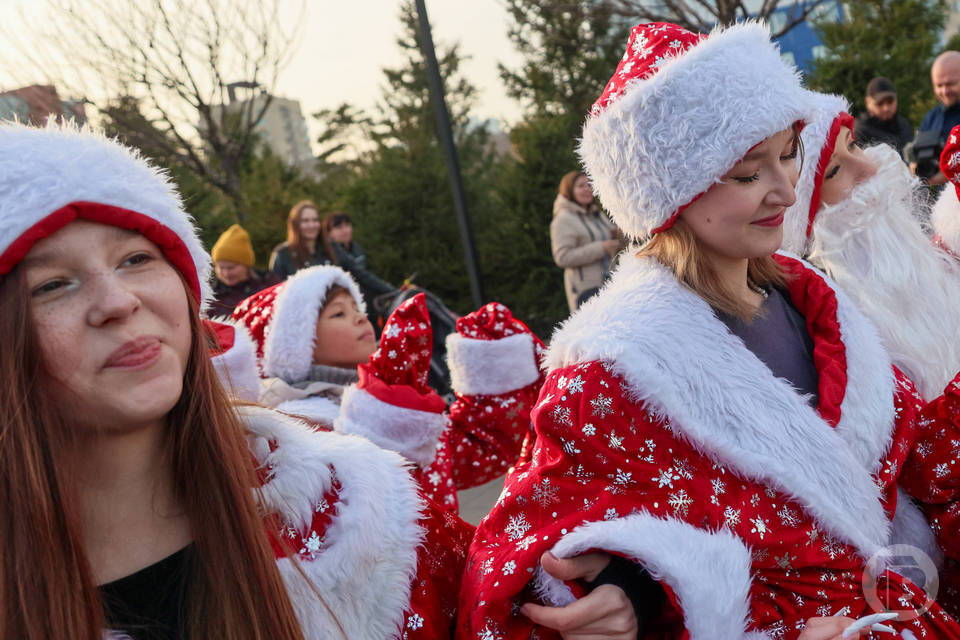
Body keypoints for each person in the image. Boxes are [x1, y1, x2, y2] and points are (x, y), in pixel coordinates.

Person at [459, 21, 960, 640]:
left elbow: (914, 451)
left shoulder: (816, 296)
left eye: (789, 154)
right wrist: (641, 593)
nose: (785, 189)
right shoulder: (610, 367)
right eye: (750, 173)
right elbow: (528, 557)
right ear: (673, 191)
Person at [0, 120, 473, 639]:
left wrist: (573, 601)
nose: (118, 301)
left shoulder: (354, 510)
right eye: (52, 285)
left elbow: (497, 606)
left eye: (136, 259)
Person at [782, 92, 960, 616]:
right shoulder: (842, 333)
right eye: (838, 168)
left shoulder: (929, 260)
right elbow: (919, 462)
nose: (872, 167)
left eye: (854, 144)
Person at [231, 264, 545, 512]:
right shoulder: (298, 428)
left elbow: (469, 453)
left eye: (358, 309)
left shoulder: (376, 401)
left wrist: (491, 376)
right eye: (339, 313)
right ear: (295, 345)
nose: (359, 319)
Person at [550, 170, 621, 311]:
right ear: (569, 189)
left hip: (611, 283)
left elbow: (614, 241)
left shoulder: (597, 214)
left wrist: (621, 233)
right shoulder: (563, 219)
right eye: (581, 186)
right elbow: (562, 257)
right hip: (587, 290)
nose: (587, 189)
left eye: (589, 185)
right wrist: (601, 248)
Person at [208, 223, 279, 317]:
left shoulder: (269, 284)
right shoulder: (211, 295)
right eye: (220, 267)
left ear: (246, 265)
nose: (225, 273)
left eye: (231, 268)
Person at [912, 51, 960, 185]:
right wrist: (915, 166)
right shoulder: (931, 117)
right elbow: (917, 156)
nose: (945, 91)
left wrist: (948, 173)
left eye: (950, 84)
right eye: (939, 85)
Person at [853, 76, 913, 155]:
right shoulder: (860, 132)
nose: (886, 108)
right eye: (880, 103)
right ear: (867, 102)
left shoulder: (904, 124)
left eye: (890, 102)